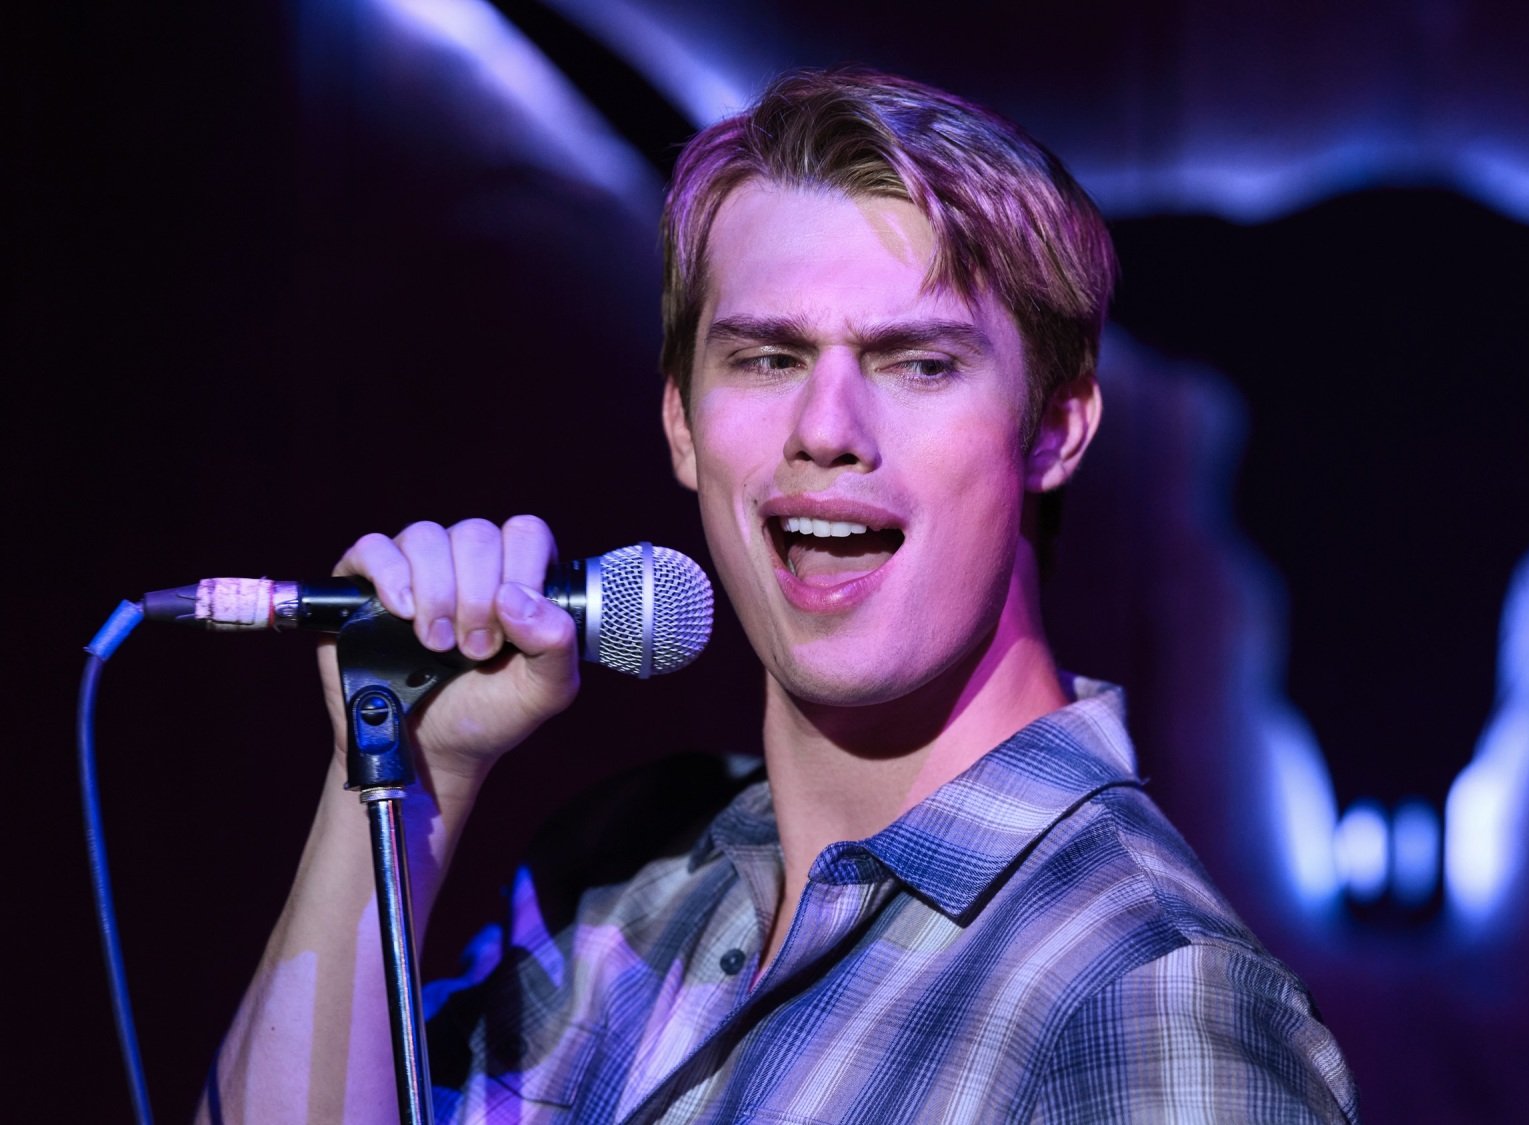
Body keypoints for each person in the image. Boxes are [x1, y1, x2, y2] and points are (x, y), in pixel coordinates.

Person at [210, 68, 1357, 1123]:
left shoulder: (1145, 995)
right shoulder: (622, 882)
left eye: (919, 363)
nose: (825, 430)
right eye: (766, 358)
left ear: (1053, 430)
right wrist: (401, 781)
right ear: (680, 423)